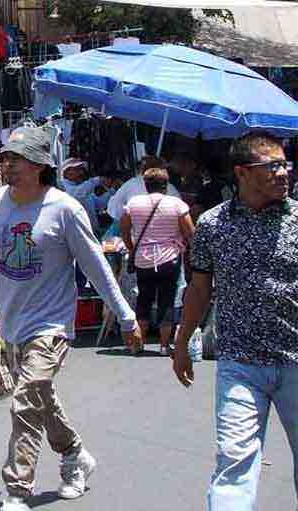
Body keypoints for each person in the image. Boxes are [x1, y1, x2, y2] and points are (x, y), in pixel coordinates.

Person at [0, 126, 142, 511]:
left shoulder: (64, 208)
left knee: (26, 401)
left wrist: (126, 315)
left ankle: (17, 489)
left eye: (16, 159)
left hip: (51, 326)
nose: (8, 165)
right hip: (13, 323)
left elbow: (96, 265)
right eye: (5, 159)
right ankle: (75, 455)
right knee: (40, 399)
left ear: (40, 166)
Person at [173, 131, 298, 511]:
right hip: (239, 364)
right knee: (235, 462)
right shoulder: (212, 225)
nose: (283, 173)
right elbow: (198, 290)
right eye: (272, 165)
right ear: (243, 172)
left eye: (285, 164)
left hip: (296, 360)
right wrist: (182, 345)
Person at [120, 167, 194, 356]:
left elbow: (124, 229)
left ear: (145, 185)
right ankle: (163, 345)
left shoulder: (133, 203)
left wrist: (131, 247)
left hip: (143, 259)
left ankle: (139, 343)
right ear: (166, 185)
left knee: (143, 300)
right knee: (167, 301)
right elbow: (191, 233)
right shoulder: (177, 204)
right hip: (169, 258)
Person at [106, 155, 181, 223]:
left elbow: (113, 206)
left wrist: (128, 217)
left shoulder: (132, 184)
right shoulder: (172, 189)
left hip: (136, 232)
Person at [59, 158, 112, 235]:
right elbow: (76, 194)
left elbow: (100, 204)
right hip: (78, 235)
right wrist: (98, 180)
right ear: (66, 172)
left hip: (92, 232)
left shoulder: (84, 188)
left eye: (81, 169)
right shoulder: (63, 187)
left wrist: (112, 191)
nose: (81, 172)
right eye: (77, 169)